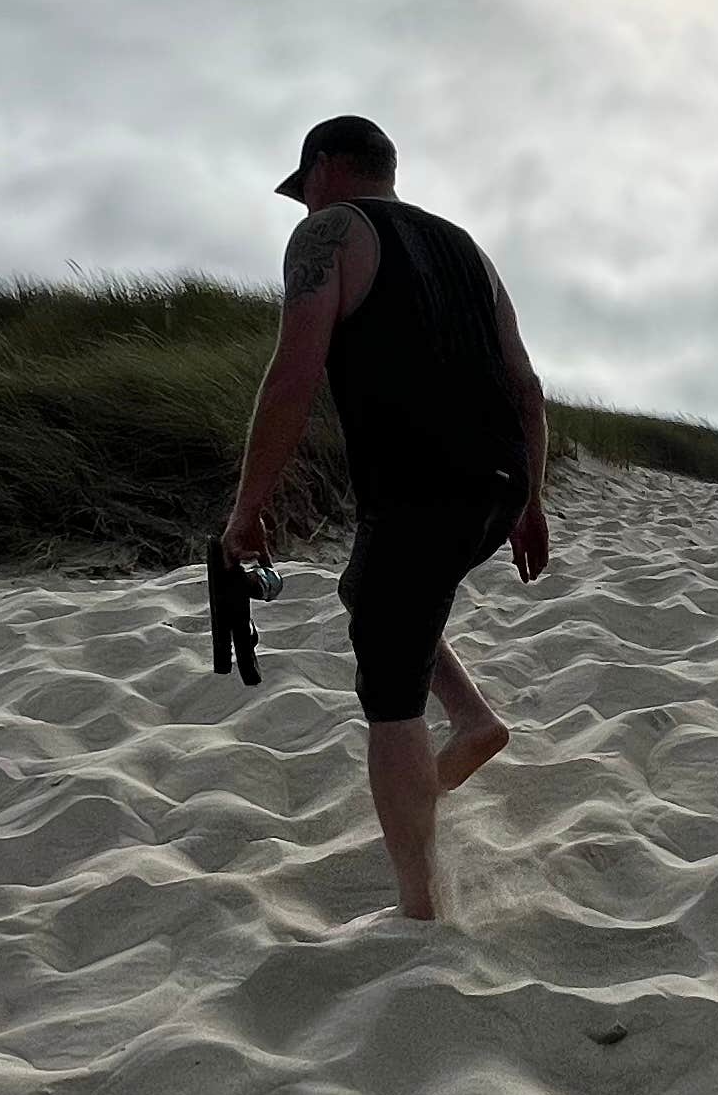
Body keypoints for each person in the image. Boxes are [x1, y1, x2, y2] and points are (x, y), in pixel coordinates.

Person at [221, 115, 551, 921]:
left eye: (303, 190)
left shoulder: (331, 234)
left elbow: (291, 379)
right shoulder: (467, 248)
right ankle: (473, 720)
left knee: (390, 690)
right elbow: (527, 384)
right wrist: (531, 500)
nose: (302, 208)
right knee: (368, 592)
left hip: (420, 488)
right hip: (497, 480)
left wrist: (247, 510)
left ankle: (420, 907)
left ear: (328, 168)